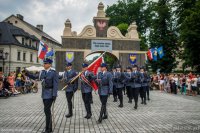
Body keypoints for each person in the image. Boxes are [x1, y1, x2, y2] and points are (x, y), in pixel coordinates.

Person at [25, 58, 58, 133]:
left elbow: (56, 84)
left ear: (50, 64)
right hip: (44, 94)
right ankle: (49, 128)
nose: (44, 64)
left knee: (47, 110)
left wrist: (54, 95)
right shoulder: (42, 72)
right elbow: (35, 76)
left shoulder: (53, 72)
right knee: (47, 111)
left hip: (50, 94)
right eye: (44, 63)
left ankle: (48, 129)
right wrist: (27, 73)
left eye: (46, 63)